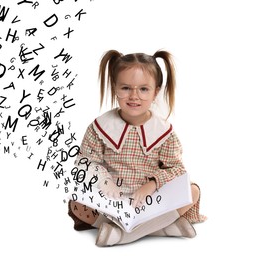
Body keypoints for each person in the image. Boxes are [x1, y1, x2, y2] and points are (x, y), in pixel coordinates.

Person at [68, 49, 207, 246]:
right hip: (111, 201)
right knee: (77, 201)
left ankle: (120, 236)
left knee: (191, 191)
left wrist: (151, 185)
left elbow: (177, 169)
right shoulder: (99, 127)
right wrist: (105, 181)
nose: (134, 96)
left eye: (143, 89)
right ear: (114, 88)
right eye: (125, 88)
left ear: (155, 91)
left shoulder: (164, 132)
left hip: (149, 203)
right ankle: (163, 229)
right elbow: (85, 161)